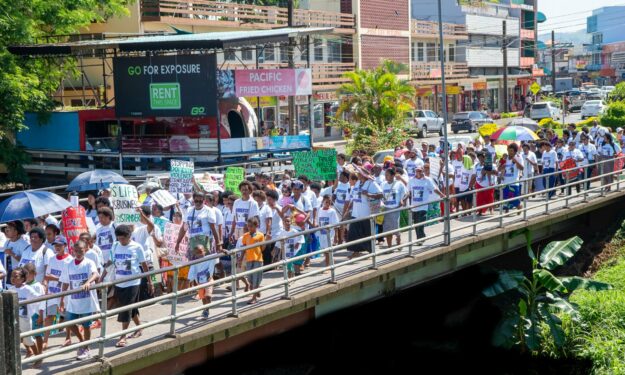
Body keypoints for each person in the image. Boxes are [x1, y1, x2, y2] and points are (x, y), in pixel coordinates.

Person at [101, 225, 153, 348]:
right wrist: (102, 276)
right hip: (119, 282)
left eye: (123, 239)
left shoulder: (137, 247)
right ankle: (140, 327)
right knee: (131, 308)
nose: (121, 241)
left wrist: (150, 281)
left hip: (133, 282)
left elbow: (144, 265)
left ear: (129, 236)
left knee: (126, 308)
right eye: (119, 238)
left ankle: (123, 336)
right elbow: (110, 262)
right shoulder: (115, 246)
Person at [59, 240, 100, 360]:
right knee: (69, 322)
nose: (78, 253)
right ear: (72, 250)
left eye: (80, 250)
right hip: (73, 300)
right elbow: (65, 283)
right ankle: (82, 341)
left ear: (85, 249)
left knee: (86, 325)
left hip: (86, 300)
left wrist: (88, 282)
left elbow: (95, 274)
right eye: (76, 250)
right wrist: (62, 299)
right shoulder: (68, 264)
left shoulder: (89, 262)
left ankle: (85, 347)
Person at [344, 167, 383, 258]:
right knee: (354, 233)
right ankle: (356, 251)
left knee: (367, 233)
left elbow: (381, 194)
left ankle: (371, 252)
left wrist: (368, 194)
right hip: (356, 213)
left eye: (360, 173)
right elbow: (353, 197)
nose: (358, 174)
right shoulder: (358, 183)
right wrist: (348, 209)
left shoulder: (371, 183)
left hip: (366, 213)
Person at [43, 235, 73, 349]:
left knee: (66, 316)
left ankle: (68, 337)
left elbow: (68, 278)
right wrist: (52, 280)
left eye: (60, 245)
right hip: (52, 291)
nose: (57, 247)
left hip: (64, 292)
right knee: (49, 317)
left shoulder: (70, 260)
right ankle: (45, 340)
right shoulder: (52, 259)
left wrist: (55, 278)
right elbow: (47, 275)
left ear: (65, 246)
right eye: (56, 245)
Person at [404, 165, 444, 244]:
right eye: (417, 171)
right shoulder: (411, 180)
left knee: (421, 221)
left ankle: (420, 239)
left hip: (423, 206)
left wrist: (442, 195)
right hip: (414, 206)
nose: (418, 172)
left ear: (422, 171)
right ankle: (421, 236)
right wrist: (404, 200)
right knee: (416, 223)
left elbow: (434, 189)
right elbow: (408, 192)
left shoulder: (427, 180)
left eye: (420, 171)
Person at [9, 267, 41, 364]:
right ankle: (25, 355)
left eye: (16, 276)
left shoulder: (27, 289)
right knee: (15, 338)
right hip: (14, 318)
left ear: (23, 278)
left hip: (25, 318)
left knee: (28, 339)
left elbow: (37, 297)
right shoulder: (10, 289)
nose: (13, 278)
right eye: (12, 276)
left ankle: (38, 358)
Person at [23, 262, 45, 364]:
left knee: (37, 335)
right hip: (25, 314)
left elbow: (42, 301)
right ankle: (29, 351)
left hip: (35, 313)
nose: (27, 276)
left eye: (29, 273)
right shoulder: (22, 286)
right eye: (25, 274)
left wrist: (41, 315)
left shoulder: (38, 286)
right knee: (23, 334)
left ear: (34, 274)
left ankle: (39, 355)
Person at [187, 244, 216, 319]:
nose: (199, 254)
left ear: (204, 251)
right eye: (197, 253)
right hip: (200, 283)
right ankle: (205, 308)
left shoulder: (210, 258)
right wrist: (188, 283)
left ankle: (207, 310)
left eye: (200, 252)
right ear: (195, 254)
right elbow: (190, 275)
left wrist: (222, 250)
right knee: (203, 298)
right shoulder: (194, 263)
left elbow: (218, 254)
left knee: (208, 296)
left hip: (209, 280)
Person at [240, 218, 264, 305]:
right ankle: (256, 290)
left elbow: (262, 248)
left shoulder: (260, 235)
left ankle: (254, 298)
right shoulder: (245, 236)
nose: (249, 228)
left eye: (251, 226)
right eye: (248, 226)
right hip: (249, 259)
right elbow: (244, 248)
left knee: (256, 277)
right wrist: (241, 259)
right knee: (250, 278)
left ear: (256, 226)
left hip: (257, 259)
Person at [381, 167, 406, 248]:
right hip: (386, 209)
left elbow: (407, 193)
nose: (385, 177)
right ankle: (389, 246)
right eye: (385, 175)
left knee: (396, 227)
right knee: (388, 229)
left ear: (392, 176)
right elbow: (380, 196)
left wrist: (402, 200)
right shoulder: (383, 184)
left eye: (387, 175)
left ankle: (398, 240)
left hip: (395, 209)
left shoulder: (399, 184)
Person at [499, 143, 524, 213]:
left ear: (515, 151)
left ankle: (519, 207)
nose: (510, 152)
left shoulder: (518, 157)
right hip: (505, 182)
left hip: (514, 182)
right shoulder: (506, 158)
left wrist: (516, 161)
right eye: (509, 151)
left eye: (511, 151)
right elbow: (499, 168)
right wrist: (502, 165)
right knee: (505, 199)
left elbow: (522, 168)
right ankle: (506, 211)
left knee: (514, 200)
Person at [316, 195, 339, 267]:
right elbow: (318, 222)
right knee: (324, 250)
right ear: (323, 201)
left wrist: (336, 236)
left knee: (328, 250)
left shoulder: (332, 211)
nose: (328, 203)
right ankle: (330, 261)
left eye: (329, 202)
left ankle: (328, 265)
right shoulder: (320, 210)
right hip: (321, 234)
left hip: (330, 234)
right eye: (326, 202)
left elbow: (336, 225)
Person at [95, 207, 116, 282]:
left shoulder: (114, 225)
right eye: (99, 217)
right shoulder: (98, 228)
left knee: (111, 283)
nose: (100, 220)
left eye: (102, 217)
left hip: (112, 261)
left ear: (108, 216)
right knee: (104, 283)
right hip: (103, 262)